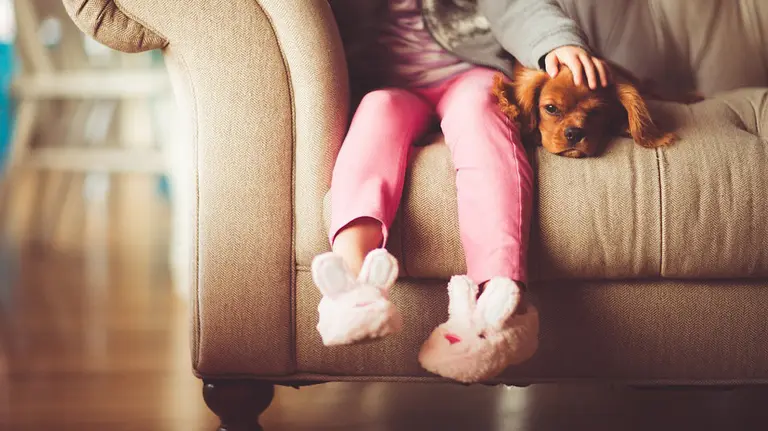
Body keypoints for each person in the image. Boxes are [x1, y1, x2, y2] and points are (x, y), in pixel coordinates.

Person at [311, 0, 610, 382]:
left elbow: (517, 6)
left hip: (471, 74)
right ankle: (353, 282)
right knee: (375, 111)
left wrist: (554, 43)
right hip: (389, 85)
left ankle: (499, 301)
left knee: (481, 114)